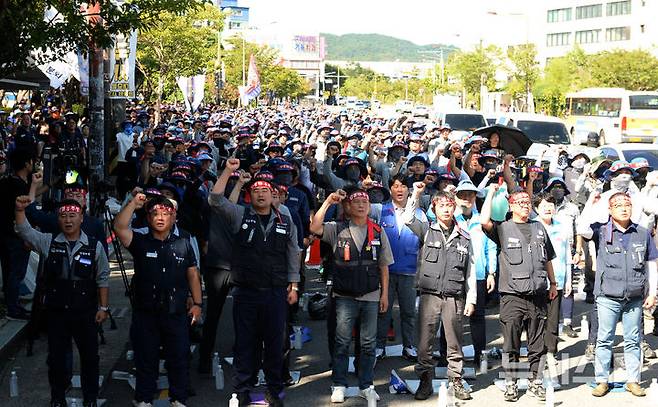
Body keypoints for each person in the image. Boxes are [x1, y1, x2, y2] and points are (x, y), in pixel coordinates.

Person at [210, 158, 300, 407]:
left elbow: (293, 252)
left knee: (274, 345)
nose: (261, 194)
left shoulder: (285, 220)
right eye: (256, 191)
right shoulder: (240, 214)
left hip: (275, 292)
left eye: (266, 191)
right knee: (245, 345)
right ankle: (242, 391)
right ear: (250, 196)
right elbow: (215, 200)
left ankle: (274, 391)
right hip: (246, 292)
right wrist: (229, 171)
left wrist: (294, 285)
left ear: (274, 196)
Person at [15, 196, 109, 407]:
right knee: (56, 358)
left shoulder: (95, 246)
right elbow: (25, 232)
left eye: (72, 216)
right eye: (63, 216)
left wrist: (103, 307)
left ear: (81, 218)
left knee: (90, 358)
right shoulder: (49, 242)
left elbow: (103, 277)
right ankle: (57, 398)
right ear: (58, 219)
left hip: (85, 311)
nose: (68, 220)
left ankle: (91, 398)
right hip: (57, 311)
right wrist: (20, 210)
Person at [114, 194, 202, 407]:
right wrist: (133, 204)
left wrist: (198, 303)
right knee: (146, 357)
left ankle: (178, 398)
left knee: (179, 357)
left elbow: (192, 274)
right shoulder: (140, 241)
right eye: (155, 214)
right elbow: (119, 227)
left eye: (166, 213)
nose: (160, 218)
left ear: (174, 218)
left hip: (176, 311)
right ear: (148, 218)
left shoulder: (184, 242)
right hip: (146, 311)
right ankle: (144, 399)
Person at [311, 188, 391, 404]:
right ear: (347, 206)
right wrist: (328, 201)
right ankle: (338, 383)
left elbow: (384, 266)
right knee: (342, 342)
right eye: (356, 201)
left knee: (368, 343)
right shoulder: (337, 228)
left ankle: (367, 384)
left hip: (371, 295)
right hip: (344, 296)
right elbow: (314, 226)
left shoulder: (377, 230)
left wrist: (384, 295)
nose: (362, 205)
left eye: (365, 201)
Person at [481, 186, 558, 402]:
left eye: (528, 202)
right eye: (520, 202)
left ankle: (536, 381)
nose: (525, 206)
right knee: (511, 344)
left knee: (537, 344)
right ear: (511, 205)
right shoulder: (503, 228)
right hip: (512, 295)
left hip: (538, 294)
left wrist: (553, 283)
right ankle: (511, 383)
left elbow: (548, 258)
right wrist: (490, 194)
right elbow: (484, 221)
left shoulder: (539, 228)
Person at [577, 192, 658, 397]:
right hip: (607, 295)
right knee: (605, 339)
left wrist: (653, 292)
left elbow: (651, 265)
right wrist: (590, 203)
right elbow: (582, 228)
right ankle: (602, 380)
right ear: (610, 210)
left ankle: (633, 380)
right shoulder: (601, 231)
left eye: (627, 205)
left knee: (633, 339)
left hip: (635, 296)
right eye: (618, 205)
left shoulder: (642, 232)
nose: (624, 208)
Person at [402, 184, 476, 401]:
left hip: (454, 296)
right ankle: (425, 381)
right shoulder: (427, 229)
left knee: (454, 342)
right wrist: (415, 194)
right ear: (434, 208)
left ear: (455, 208)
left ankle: (456, 380)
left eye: (449, 205)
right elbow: (408, 218)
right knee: (425, 342)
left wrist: (471, 299)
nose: (446, 209)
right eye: (441, 205)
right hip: (430, 296)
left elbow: (470, 271)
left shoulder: (465, 236)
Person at [376, 174, 424, 360]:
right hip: (385, 270)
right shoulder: (382, 211)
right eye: (396, 186)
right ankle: (379, 347)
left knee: (408, 312)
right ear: (390, 190)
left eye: (403, 186)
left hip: (409, 270)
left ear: (408, 190)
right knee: (383, 311)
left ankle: (409, 346)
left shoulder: (418, 213)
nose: (399, 189)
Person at [453, 180, 497, 367]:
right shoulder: (451, 218)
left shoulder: (482, 220)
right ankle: (450, 357)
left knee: (478, 317)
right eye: (462, 195)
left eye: (470, 195)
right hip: (454, 275)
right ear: (455, 198)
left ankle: (480, 355)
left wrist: (491, 273)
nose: (466, 199)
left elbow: (491, 247)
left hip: (478, 274)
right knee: (452, 318)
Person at [0, 148, 33, 320]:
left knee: (8, 271)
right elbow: (26, 206)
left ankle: (12, 304)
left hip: (5, 232)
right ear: (27, 163)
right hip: (15, 235)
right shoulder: (18, 185)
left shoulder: (7, 181)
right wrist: (26, 237)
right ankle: (13, 308)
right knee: (15, 272)